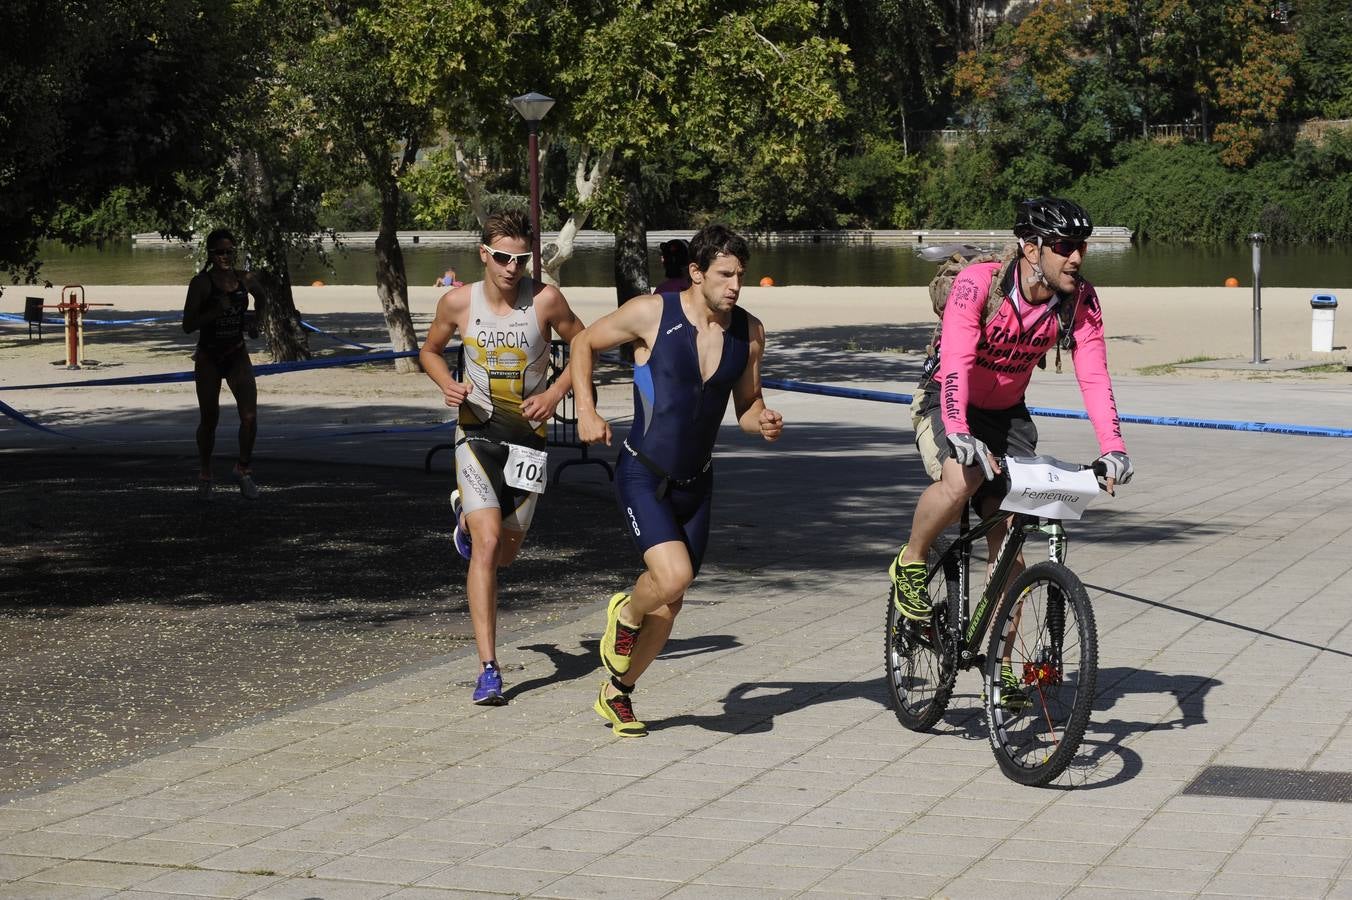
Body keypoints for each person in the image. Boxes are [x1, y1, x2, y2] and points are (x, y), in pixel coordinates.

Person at [889, 197, 1132, 703]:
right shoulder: (978, 285)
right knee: (963, 480)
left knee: (1012, 542)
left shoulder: (1080, 299)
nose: (1076, 258)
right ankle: (911, 562)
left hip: (1007, 414)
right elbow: (955, 359)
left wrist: (1113, 448)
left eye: (1081, 247)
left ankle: (999, 672)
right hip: (945, 399)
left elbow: (1093, 373)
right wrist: (957, 430)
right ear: (1030, 247)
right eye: (1065, 247)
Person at [571, 224, 784, 737]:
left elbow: (746, 407)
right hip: (643, 472)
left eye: (741, 276)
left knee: (672, 599)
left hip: (696, 482)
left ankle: (617, 693)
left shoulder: (749, 333)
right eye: (725, 274)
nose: (735, 285)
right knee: (673, 578)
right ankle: (624, 612)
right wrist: (586, 409)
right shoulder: (652, 312)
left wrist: (764, 421)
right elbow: (583, 342)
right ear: (696, 273)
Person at [419, 210, 586, 706]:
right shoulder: (457, 301)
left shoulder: (546, 300)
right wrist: (447, 383)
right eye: (503, 258)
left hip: (528, 442)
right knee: (489, 545)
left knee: (506, 552)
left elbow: (584, 344)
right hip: (474, 433)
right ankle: (489, 668)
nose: (513, 268)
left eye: (521, 258)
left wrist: (556, 394)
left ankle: (464, 519)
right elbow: (429, 350)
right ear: (484, 255)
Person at [182, 228, 267, 500]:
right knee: (209, 420)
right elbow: (187, 325)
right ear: (210, 253)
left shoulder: (245, 278)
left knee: (250, 418)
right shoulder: (201, 283)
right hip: (208, 356)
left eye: (230, 251)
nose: (226, 256)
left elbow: (262, 297)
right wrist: (215, 311)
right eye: (220, 252)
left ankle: (243, 469)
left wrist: (256, 321)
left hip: (236, 353)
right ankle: (206, 474)